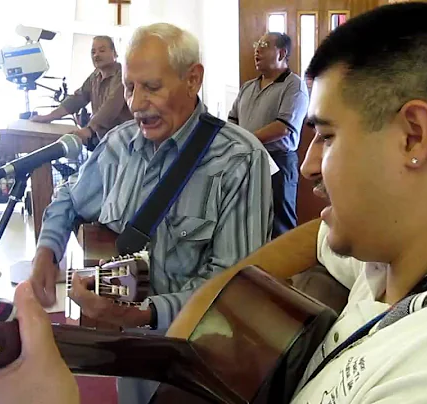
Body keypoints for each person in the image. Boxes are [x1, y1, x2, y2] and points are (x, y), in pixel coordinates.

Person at [0, 4, 427, 404]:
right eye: (129, 86)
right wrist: (200, 301)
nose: (307, 167)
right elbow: (308, 241)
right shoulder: (402, 248)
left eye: (326, 137)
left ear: (413, 137)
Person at [30, 22, 272, 403]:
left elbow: (235, 289)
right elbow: (69, 199)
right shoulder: (117, 145)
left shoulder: (239, 159)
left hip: (197, 364)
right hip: (130, 358)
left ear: (193, 79)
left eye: (151, 88)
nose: (136, 103)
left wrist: (143, 313)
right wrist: (48, 249)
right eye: (129, 87)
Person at [229, 32, 309, 238]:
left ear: (282, 53)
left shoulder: (294, 85)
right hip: (248, 161)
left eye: (264, 45)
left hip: (279, 162)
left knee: (280, 222)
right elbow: (232, 121)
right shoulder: (248, 87)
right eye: (257, 44)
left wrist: (245, 140)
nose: (257, 50)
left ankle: (284, 270)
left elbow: (283, 127)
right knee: (250, 220)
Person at [31, 36, 133, 142]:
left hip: (126, 141)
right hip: (105, 140)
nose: (96, 55)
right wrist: (49, 117)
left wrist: (89, 129)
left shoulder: (123, 75)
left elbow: (111, 106)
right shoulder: (95, 76)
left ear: (114, 53)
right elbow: (78, 98)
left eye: (102, 50)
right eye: (93, 52)